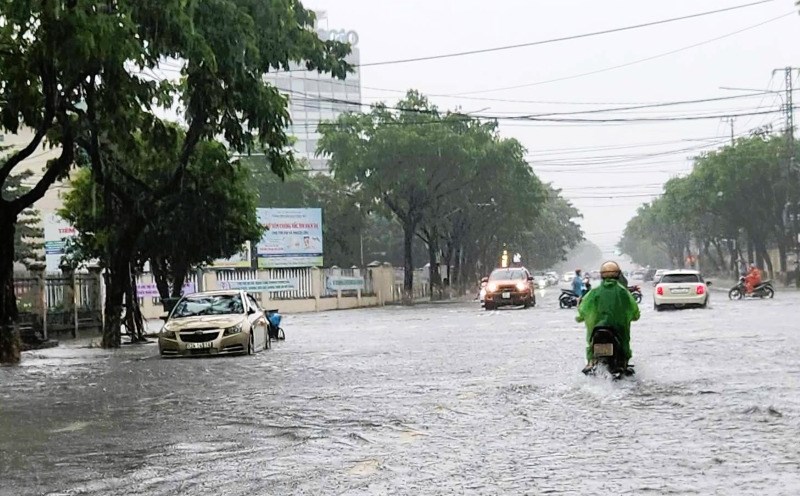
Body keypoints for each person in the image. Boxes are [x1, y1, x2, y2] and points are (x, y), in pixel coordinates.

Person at [576, 261, 640, 373]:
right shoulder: (623, 292)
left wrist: (580, 317)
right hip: (618, 330)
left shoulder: (594, 292)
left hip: (597, 329)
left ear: (601, 275)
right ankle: (622, 363)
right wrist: (633, 316)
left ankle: (591, 362)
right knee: (624, 348)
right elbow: (634, 311)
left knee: (591, 349)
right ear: (618, 274)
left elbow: (583, 310)